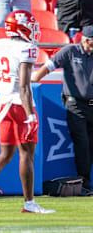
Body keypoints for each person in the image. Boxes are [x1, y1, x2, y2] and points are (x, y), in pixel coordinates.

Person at [0, 10, 54, 214]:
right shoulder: (27, 48)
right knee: (26, 156)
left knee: (6, 155)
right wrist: (31, 115)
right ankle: (29, 203)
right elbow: (24, 86)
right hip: (19, 104)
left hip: (2, 103)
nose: (34, 31)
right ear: (22, 28)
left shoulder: (0, 44)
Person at [32, 25, 93, 194]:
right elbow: (49, 66)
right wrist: (33, 83)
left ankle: (86, 181)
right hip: (76, 104)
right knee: (82, 144)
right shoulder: (70, 51)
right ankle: (85, 183)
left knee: (90, 145)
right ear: (86, 40)